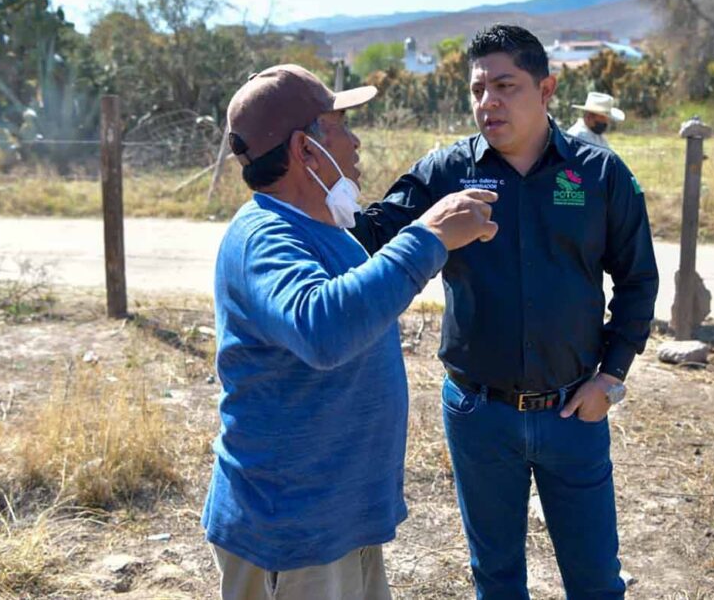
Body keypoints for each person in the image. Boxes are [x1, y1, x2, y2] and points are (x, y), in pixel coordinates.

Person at [351, 25, 658, 599]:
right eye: (477, 89)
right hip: (479, 414)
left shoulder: (596, 173)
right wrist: (321, 181)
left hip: (574, 412)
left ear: (546, 90)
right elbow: (367, 236)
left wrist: (611, 376)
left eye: (505, 86)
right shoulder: (446, 174)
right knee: (495, 576)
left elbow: (638, 278)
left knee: (595, 579)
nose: (487, 101)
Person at [202, 64, 499, 600]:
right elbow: (324, 329)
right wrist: (427, 239)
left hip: (333, 521)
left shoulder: (321, 229)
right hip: (289, 534)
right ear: (305, 149)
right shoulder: (264, 237)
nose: (356, 140)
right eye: (340, 124)